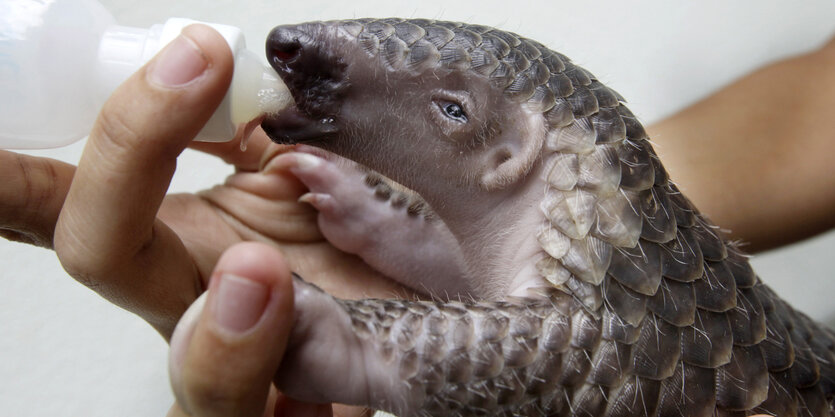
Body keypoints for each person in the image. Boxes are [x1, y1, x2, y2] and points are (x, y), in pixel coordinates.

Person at [1, 24, 832, 416]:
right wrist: (393, 218)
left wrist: (331, 336)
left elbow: (556, 335)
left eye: (448, 110)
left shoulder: (590, 328)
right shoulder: (582, 228)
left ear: (511, 153)